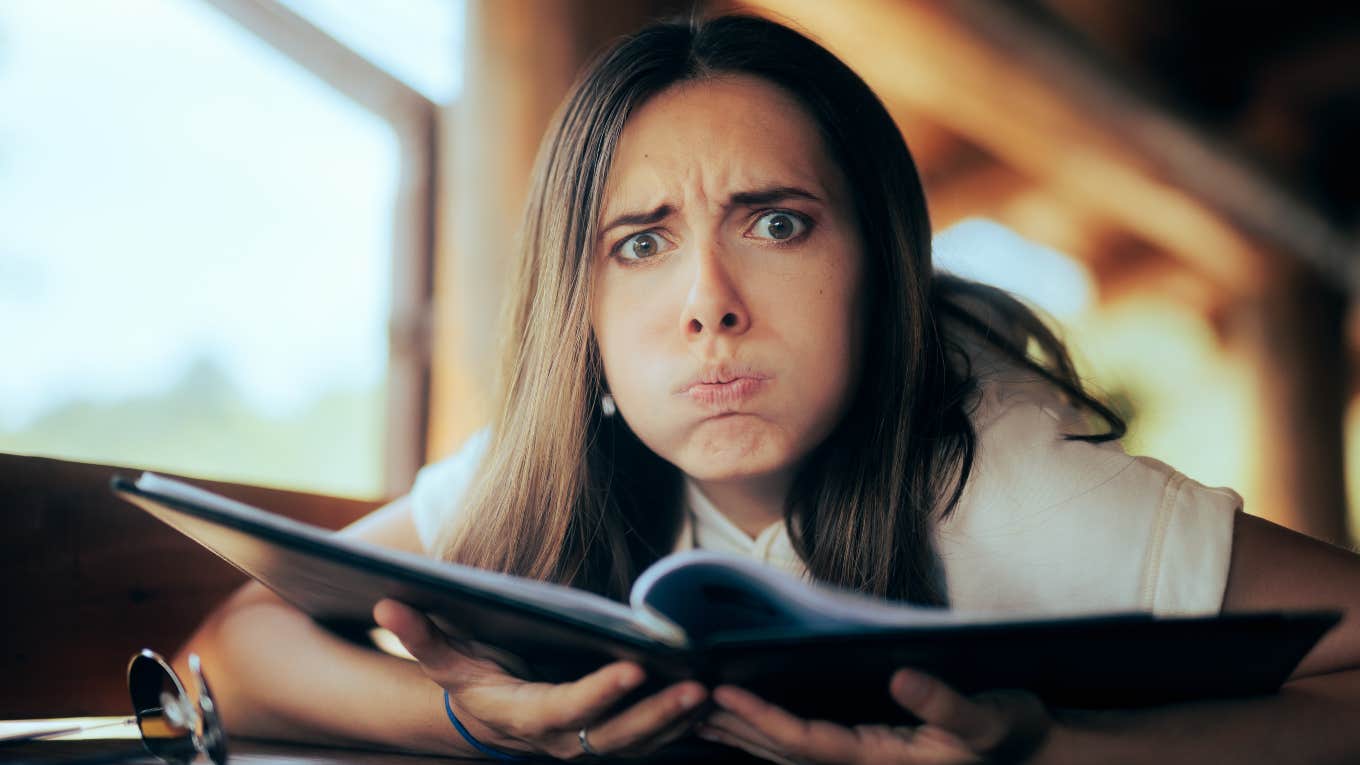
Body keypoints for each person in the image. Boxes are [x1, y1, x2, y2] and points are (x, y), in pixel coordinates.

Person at [177, 14, 1360, 764]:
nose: (709, 302)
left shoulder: (1005, 478)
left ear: (877, 273)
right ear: (577, 313)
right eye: (639, 242)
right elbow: (225, 649)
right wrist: (471, 725)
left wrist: (1054, 750)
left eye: (778, 223)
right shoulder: (559, 456)